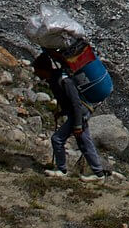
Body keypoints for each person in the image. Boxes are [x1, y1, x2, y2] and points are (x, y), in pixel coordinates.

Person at [32, 51, 109, 181]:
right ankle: (99, 174)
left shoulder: (64, 81)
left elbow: (76, 103)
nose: (36, 73)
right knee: (84, 142)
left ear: (44, 69)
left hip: (80, 114)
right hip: (79, 113)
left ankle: (62, 170)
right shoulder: (55, 80)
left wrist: (78, 124)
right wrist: (61, 113)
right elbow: (68, 103)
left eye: (38, 70)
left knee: (57, 139)